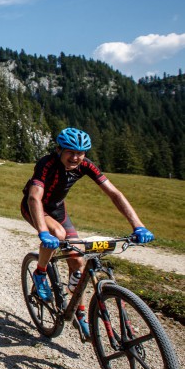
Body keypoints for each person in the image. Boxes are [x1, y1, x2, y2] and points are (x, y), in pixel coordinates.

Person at [21, 127, 154, 338]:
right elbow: (34, 197)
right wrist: (43, 232)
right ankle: (40, 272)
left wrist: (138, 225)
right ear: (59, 150)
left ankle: (79, 314)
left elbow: (114, 193)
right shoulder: (46, 164)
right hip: (35, 208)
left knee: (78, 262)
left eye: (80, 153)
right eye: (70, 152)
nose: (75, 157)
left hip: (57, 209)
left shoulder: (85, 165)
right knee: (57, 234)